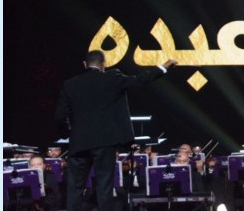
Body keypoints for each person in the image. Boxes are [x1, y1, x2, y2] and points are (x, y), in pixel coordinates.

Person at [55, 50, 177, 211]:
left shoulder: (70, 84)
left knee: (75, 189)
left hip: (79, 144)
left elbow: (60, 115)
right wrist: (164, 67)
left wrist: (69, 133)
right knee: (104, 186)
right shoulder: (112, 77)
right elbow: (140, 80)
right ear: (104, 64)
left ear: (84, 65)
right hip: (105, 143)